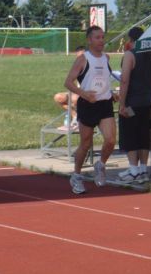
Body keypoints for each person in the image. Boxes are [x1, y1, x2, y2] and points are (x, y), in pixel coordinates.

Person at [64, 26, 116, 194]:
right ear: (89, 40)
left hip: (105, 103)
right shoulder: (82, 59)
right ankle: (77, 176)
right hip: (87, 104)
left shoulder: (106, 58)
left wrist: (112, 93)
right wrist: (84, 94)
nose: (101, 40)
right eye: (97, 38)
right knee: (85, 144)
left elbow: (104, 80)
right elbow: (68, 83)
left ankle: (100, 165)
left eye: (102, 37)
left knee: (110, 140)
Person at [117, 26, 151, 183]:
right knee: (144, 136)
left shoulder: (130, 55)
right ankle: (143, 169)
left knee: (130, 135)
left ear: (131, 40)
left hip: (132, 102)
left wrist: (121, 103)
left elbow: (125, 80)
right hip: (147, 102)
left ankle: (133, 169)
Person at [54, 46, 85, 128]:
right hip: (79, 93)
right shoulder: (78, 67)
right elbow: (70, 83)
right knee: (58, 97)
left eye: (82, 56)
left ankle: (79, 119)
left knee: (75, 99)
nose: (80, 59)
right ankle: (75, 116)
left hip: (89, 95)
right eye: (78, 57)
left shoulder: (94, 67)